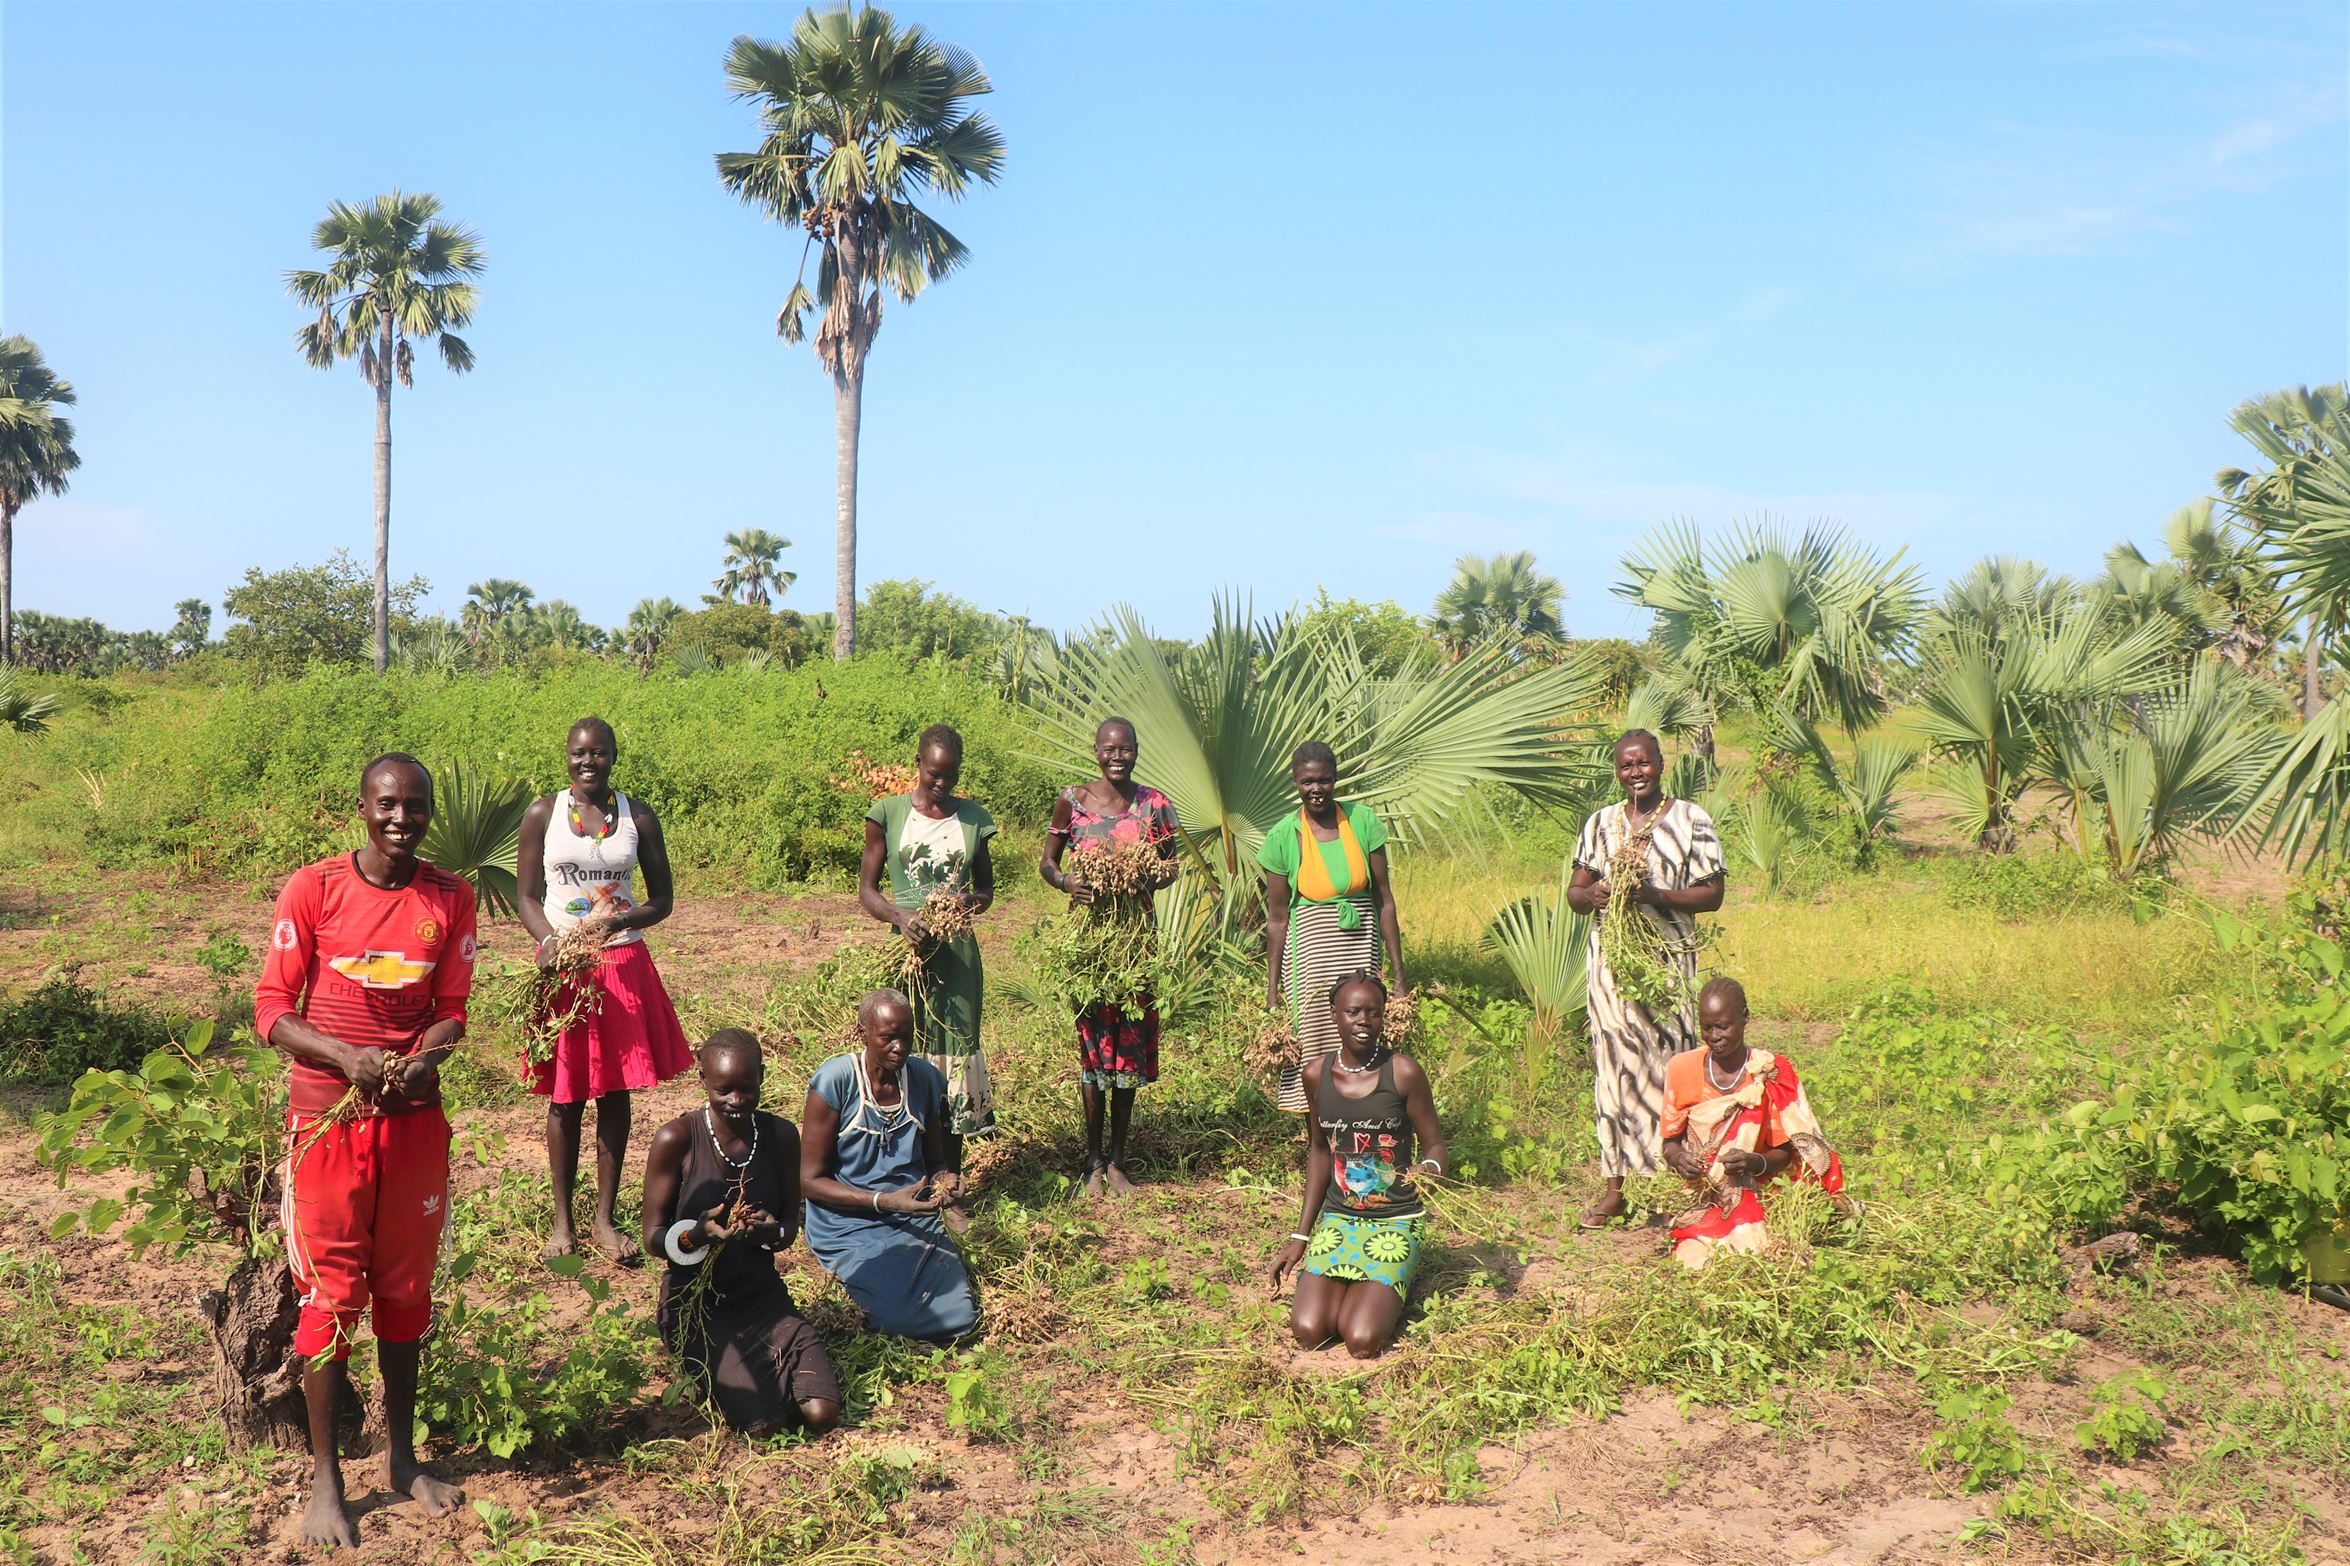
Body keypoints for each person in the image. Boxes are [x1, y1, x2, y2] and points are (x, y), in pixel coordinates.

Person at [254, 753, 477, 1550]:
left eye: (415, 805)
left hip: (413, 1121)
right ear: (362, 807)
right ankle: (325, 1483)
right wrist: (346, 1058)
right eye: (388, 803)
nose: (401, 818)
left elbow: (453, 1009)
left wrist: (427, 1055)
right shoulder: (313, 889)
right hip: (328, 1120)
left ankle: (404, 1458)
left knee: (405, 1286)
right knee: (330, 1293)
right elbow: (273, 1009)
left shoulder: (452, 896)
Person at [516, 716, 692, 1265]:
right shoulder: (543, 815)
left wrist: (616, 924)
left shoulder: (638, 816)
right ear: (566, 756)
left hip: (621, 965)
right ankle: (562, 1221)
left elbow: (661, 900)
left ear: (614, 755)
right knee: (565, 1095)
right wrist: (549, 944)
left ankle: (605, 1220)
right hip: (564, 968)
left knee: (615, 1093)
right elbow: (526, 895)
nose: (588, 761)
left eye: (598, 753)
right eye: (578, 753)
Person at [640, 1030, 842, 1437]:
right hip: (696, 1303)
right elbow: (652, 1237)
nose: (736, 1101)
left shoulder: (781, 1137)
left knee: (822, 1413)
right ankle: (716, 1374)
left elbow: (788, 1229)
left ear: (762, 1077)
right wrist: (696, 1236)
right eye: (724, 1090)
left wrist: (768, 1232)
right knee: (762, 1425)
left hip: (762, 1295)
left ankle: (755, 1377)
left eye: (747, 1089)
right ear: (702, 1081)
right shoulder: (677, 1139)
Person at [1566, 729, 1726, 1229]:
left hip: (1667, 969)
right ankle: (1616, 1187)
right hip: (1612, 970)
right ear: (1617, 770)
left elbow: (1713, 893)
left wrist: (1655, 896)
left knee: (1672, 1066)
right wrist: (1592, 897)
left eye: (1644, 763)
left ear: (1661, 763)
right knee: (1613, 1069)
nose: (1636, 772)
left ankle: (1678, 1185)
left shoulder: (1690, 819)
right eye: (1625, 766)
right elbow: (1575, 891)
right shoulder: (1600, 823)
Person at [858, 723, 996, 1229]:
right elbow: (868, 890)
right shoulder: (888, 814)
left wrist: (966, 903)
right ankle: (907, 1176)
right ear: (918, 763)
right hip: (910, 953)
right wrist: (899, 917)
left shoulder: (974, 819)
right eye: (934, 775)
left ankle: (950, 1184)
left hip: (957, 957)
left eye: (950, 778)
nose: (941, 786)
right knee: (902, 1055)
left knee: (953, 1062)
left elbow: (986, 889)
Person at [1270, 971, 1449, 1360]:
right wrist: (1301, 1238)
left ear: (1384, 1017)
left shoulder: (1402, 1072)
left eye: (1374, 1013)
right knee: (1308, 1331)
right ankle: (1365, 1288)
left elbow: (1435, 1144)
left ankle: (1396, 1278)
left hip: (1396, 1221)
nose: (1364, 1022)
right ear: (1334, 1014)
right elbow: (1320, 1151)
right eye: (1353, 1012)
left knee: (1361, 1339)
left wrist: (1430, 1169)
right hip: (1340, 1219)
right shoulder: (1315, 1075)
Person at [1039, 716, 1181, 1196]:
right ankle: (1093, 1161)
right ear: (1096, 750)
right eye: (1109, 749)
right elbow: (1048, 861)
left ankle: (1118, 1160)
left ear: (1136, 751)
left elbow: (1172, 864)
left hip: (1136, 945)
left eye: (1126, 749)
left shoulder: (1154, 803)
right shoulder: (1073, 800)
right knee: (1093, 1056)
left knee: (1128, 1056)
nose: (1117, 757)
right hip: (1091, 948)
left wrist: (1147, 877)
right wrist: (1066, 883)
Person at [799, 990, 980, 1342]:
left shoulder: (924, 1079)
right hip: (847, 1222)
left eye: (906, 1036)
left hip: (911, 1215)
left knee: (960, 1317)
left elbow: (936, 1161)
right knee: (894, 1319)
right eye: (887, 1038)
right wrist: (883, 1201)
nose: (899, 1047)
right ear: (863, 1032)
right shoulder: (835, 1083)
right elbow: (809, 1180)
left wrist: (947, 1181)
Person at [1260, 741, 1406, 1114]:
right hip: (1310, 962)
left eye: (1324, 781)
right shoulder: (1283, 836)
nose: (1316, 790)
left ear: (1335, 779)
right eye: (1308, 782)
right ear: (1295, 782)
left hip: (1360, 951)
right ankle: (1320, 1145)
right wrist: (1273, 993)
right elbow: (1277, 920)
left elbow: (1384, 900)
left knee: (1365, 1035)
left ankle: (1366, 1128)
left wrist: (1399, 978)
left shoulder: (1362, 822)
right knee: (1316, 1045)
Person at [1661, 978, 1847, 1270]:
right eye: (1707, 1027)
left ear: (1745, 1017)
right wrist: (1680, 1159)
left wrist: (1751, 1162)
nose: (1715, 1036)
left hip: (1758, 1188)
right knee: (1693, 1261)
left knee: (1758, 1252)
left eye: (1723, 1026)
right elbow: (1669, 1143)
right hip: (1704, 1193)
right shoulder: (1681, 1069)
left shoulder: (1768, 1074)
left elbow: (1785, 1154)